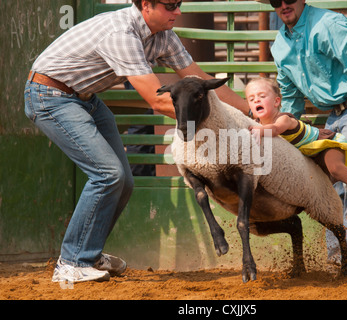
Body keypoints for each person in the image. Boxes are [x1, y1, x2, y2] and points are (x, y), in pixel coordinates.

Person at [24, 0, 247, 283]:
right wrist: (221, 123)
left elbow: (201, 80)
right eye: (170, 5)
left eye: (179, 4)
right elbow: (156, 98)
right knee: (107, 175)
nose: (178, 11)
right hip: (49, 96)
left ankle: (88, 254)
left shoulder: (164, 35)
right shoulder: (122, 33)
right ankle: (71, 262)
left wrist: (250, 113)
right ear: (146, 5)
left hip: (83, 98)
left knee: (124, 182)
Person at [257, 0, 347, 267]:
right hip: (334, 115)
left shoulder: (329, 24)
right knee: (332, 187)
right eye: (276, 1)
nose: (283, 5)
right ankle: (339, 260)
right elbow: (292, 98)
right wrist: (290, 129)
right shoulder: (280, 44)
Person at [246, 77, 347, 214]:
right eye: (252, 99)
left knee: (335, 169)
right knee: (321, 183)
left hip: (324, 145)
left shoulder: (283, 119)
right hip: (310, 156)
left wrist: (256, 131)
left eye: (262, 96)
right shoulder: (258, 126)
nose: (257, 100)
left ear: (277, 101)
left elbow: (275, 130)